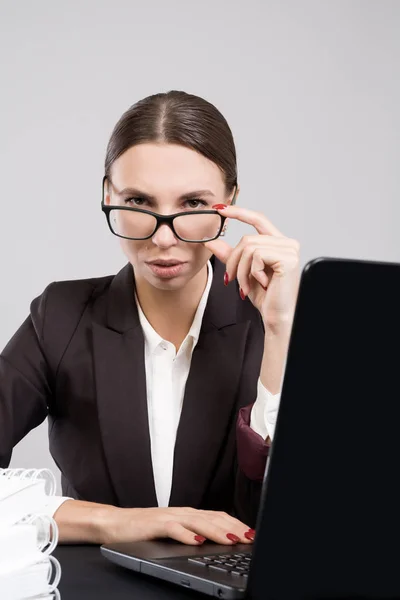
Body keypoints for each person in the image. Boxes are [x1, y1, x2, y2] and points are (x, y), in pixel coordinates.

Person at [0, 90, 300, 547]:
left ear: (231, 200)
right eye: (139, 202)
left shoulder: (277, 321)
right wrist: (116, 523)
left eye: (194, 205)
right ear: (108, 194)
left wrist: (281, 331)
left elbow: (324, 511)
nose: (163, 238)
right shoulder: (59, 317)